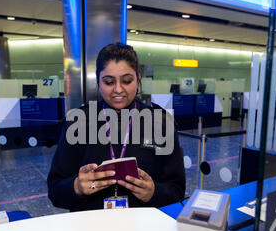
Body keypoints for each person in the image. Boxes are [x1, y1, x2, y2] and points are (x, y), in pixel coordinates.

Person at [47, 42, 185, 212]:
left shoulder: (161, 122)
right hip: (90, 228)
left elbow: (177, 190)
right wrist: (76, 186)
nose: (118, 89)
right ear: (98, 81)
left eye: (127, 80)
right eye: (109, 82)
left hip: (143, 229)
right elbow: (55, 190)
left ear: (138, 78)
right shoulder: (78, 122)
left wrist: (154, 192)